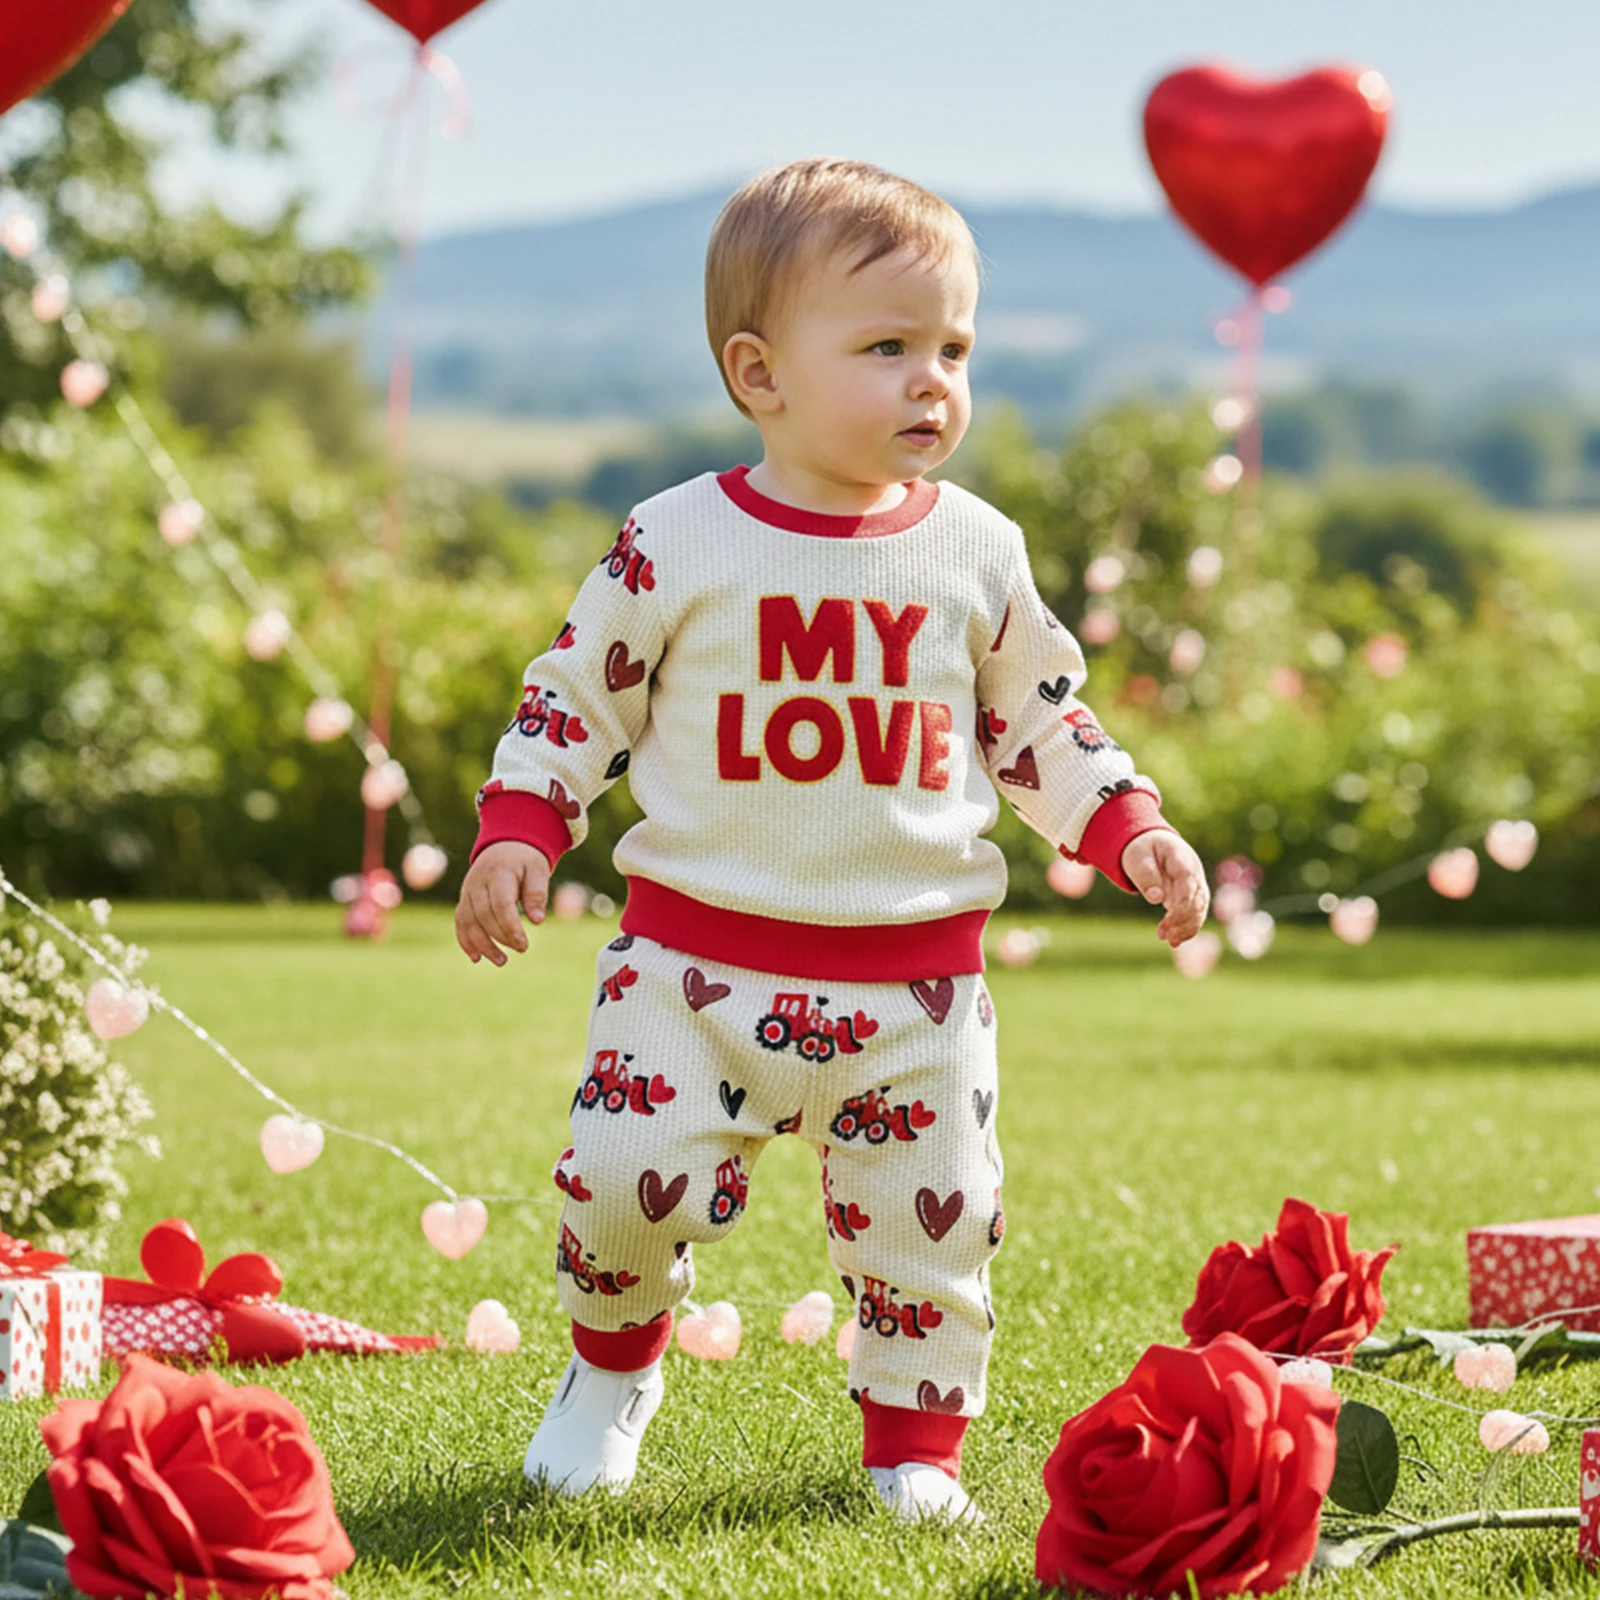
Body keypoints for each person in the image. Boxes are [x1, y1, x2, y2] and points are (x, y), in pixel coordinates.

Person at [454, 157, 1209, 1522]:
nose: (933, 382)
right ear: (761, 374)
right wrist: (521, 823)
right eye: (887, 349)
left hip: (915, 986)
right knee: (622, 1184)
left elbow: (1040, 720)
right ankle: (609, 1374)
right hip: (691, 968)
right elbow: (575, 695)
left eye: (953, 350)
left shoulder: (977, 552)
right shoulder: (675, 540)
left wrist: (1127, 823)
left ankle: (913, 1455)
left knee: (936, 1226)